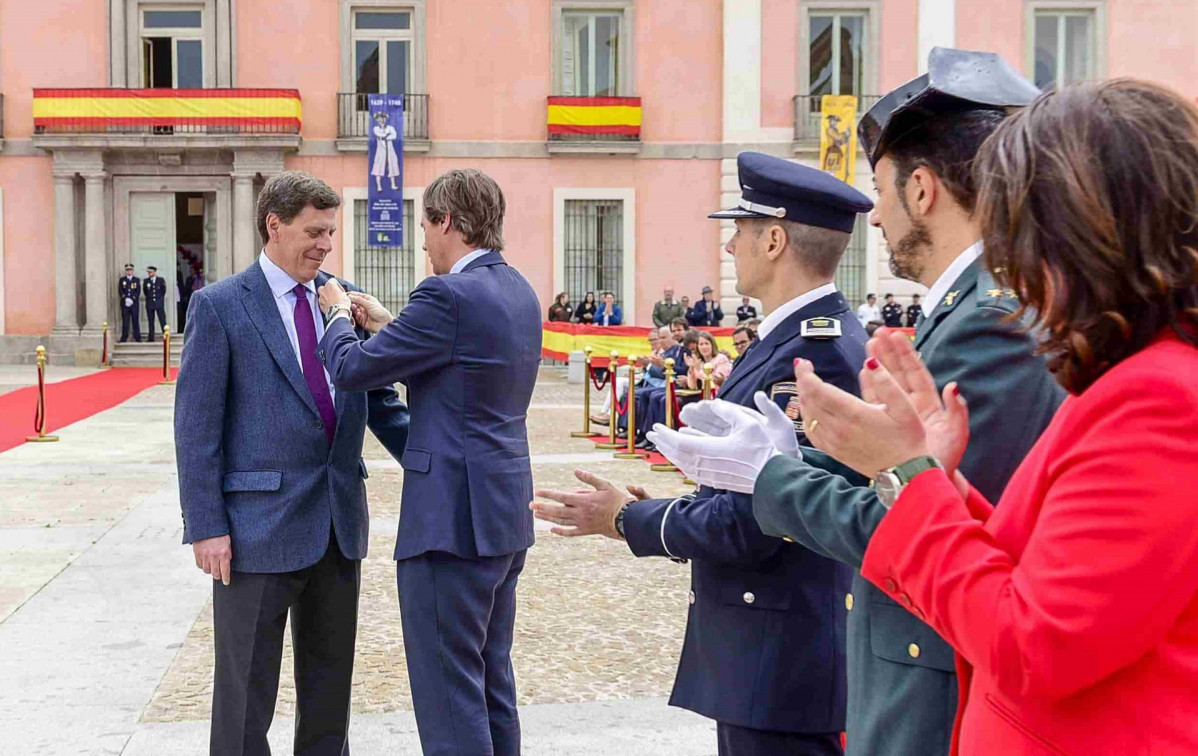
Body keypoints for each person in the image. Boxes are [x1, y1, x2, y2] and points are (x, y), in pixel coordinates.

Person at [649, 48, 1064, 756]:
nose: (873, 221)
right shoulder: (966, 309)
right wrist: (804, 455)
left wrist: (771, 477)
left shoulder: (988, 321)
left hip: (932, 677)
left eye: (882, 191)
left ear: (923, 190)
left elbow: (921, 517)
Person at [781, 78, 1198, 755]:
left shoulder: (1159, 397)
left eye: (1018, 217)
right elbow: (1051, 568)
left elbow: (1038, 644)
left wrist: (907, 472)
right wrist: (934, 478)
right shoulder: (1140, 377)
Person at [531, 152, 873, 756]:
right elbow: (749, 490)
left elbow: (761, 520)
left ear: (773, 239)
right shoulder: (795, 338)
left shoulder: (815, 355)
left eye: (738, 230)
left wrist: (627, 520)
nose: (728, 247)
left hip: (783, 660)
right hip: (770, 652)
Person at [175, 171, 410, 756]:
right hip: (254, 532)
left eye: (330, 232)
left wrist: (438, 462)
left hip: (338, 526)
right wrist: (206, 525)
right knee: (244, 699)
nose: (326, 244)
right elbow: (196, 428)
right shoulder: (221, 306)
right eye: (314, 231)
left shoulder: (345, 299)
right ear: (273, 225)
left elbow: (380, 401)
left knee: (330, 694)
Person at [317, 168, 541, 756]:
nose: (422, 241)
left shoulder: (444, 294)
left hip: (449, 521)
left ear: (447, 222)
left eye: (425, 227)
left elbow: (351, 370)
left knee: (448, 693)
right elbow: (463, 362)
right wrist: (393, 326)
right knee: (492, 680)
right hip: (503, 514)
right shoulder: (517, 288)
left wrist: (337, 314)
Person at [370, 110, 400, 192]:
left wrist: (386, 136)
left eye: (382, 119)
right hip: (381, 150)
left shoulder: (390, 128)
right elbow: (379, 135)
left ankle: (393, 185)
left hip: (390, 149)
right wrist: (386, 135)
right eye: (379, 119)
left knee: (392, 165)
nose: (381, 121)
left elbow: (394, 135)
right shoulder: (376, 128)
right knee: (378, 167)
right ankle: (379, 187)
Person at [117, 263, 141, 343]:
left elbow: (138, 291)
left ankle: (137, 337)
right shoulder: (122, 280)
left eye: (130, 270)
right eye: (127, 270)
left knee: (135, 320)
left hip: (134, 304)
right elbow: (120, 290)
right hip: (125, 304)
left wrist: (132, 299)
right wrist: (125, 298)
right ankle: (124, 337)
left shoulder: (136, 280)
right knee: (125, 321)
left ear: (133, 271)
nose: (129, 271)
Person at [143, 265, 167, 342]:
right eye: (148, 272)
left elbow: (163, 291)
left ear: (154, 272)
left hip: (159, 303)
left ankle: (166, 335)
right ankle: (151, 337)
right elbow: (145, 291)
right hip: (150, 303)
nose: (149, 273)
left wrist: (159, 299)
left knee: (162, 319)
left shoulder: (160, 280)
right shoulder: (146, 281)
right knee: (151, 321)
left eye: (151, 272)